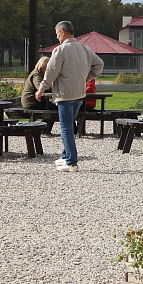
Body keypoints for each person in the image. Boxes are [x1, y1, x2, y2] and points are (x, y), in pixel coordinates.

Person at [36, 21, 104, 172]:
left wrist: (41, 89)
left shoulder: (60, 50)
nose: (56, 35)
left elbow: (51, 72)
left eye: (57, 32)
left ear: (62, 32)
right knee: (69, 125)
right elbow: (99, 64)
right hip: (79, 94)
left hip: (64, 95)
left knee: (65, 128)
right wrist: (86, 78)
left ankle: (72, 162)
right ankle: (65, 155)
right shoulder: (85, 49)